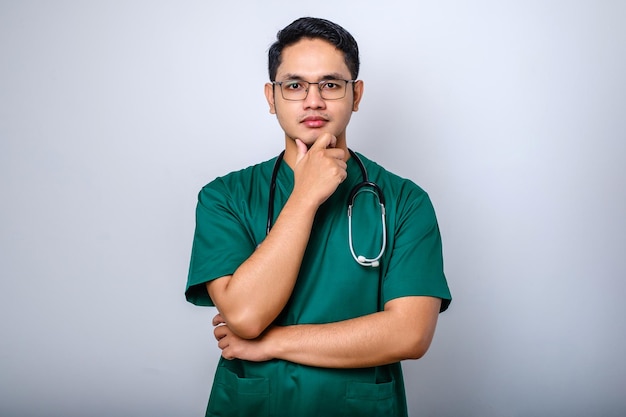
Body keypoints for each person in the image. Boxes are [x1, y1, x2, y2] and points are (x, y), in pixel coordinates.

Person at [186, 16, 451, 417]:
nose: (313, 101)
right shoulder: (225, 197)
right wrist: (306, 196)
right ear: (271, 97)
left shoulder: (405, 201)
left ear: (356, 94)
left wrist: (271, 344)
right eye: (294, 86)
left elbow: (410, 334)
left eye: (330, 84)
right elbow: (244, 315)